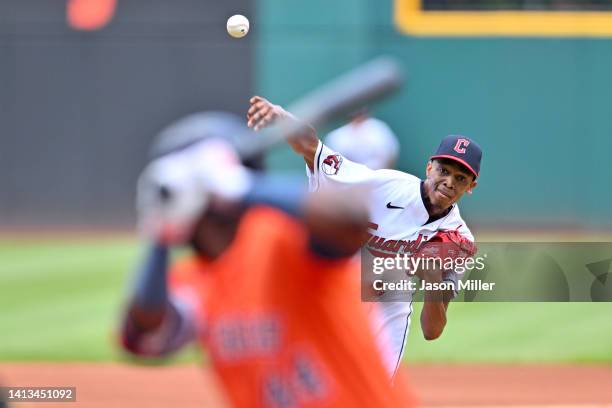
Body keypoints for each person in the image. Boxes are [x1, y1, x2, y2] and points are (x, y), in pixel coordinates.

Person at [119, 112, 415, 407]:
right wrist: (160, 231)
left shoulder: (281, 239)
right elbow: (143, 336)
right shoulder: (195, 279)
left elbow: (353, 220)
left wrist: (240, 186)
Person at [247, 96, 482, 377]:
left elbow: (432, 331)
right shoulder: (381, 185)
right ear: (429, 167)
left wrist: (432, 281)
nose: (449, 182)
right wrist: (281, 117)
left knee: (372, 390)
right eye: (444, 171)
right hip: (335, 289)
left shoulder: (458, 241)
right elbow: (313, 148)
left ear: (471, 186)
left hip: (390, 307)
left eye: (461, 178)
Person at [324, 109, 400, 170]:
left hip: (379, 178)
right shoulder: (336, 136)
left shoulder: (379, 128)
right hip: (350, 182)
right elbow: (332, 165)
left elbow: (391, 156)